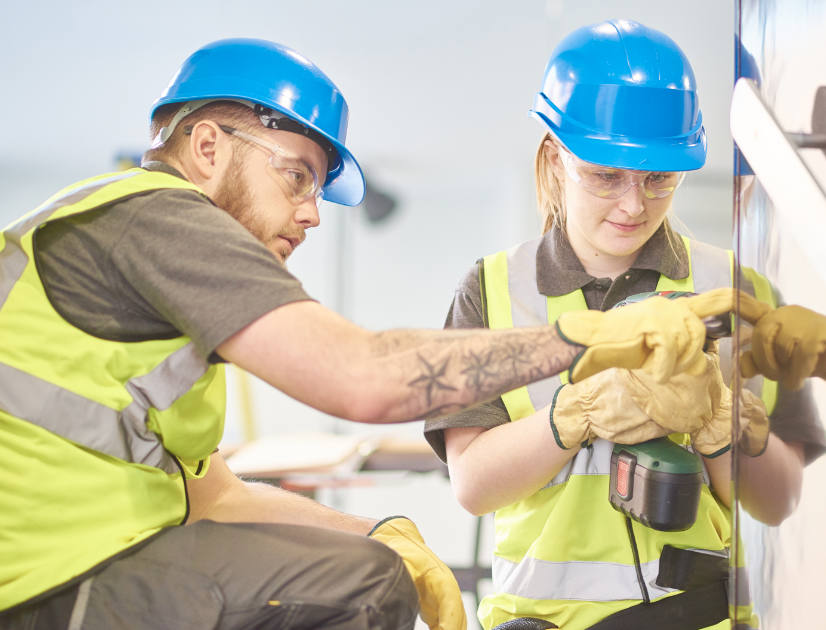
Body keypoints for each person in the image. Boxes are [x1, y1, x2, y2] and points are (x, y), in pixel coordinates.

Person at [0, 37, 727, 630]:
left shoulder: (137, 271)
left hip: (63, 573)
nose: (313, 213)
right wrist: (593, 343)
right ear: (209, 147)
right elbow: (365, 377)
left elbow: (214, 496)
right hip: (49, 585)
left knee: (368, 562)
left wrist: (382, 532)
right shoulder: (158, 215)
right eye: (296, 177)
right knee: (362, 588)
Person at [423, 19, 826, 630]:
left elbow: (781, 500)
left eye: (659, 177)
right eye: (606, 176)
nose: (634, 204)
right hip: (543, 620)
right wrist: (576, 412)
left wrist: (722, 425)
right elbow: (473, 485)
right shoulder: (490, 290)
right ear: (557, 158)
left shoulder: (735, 288)